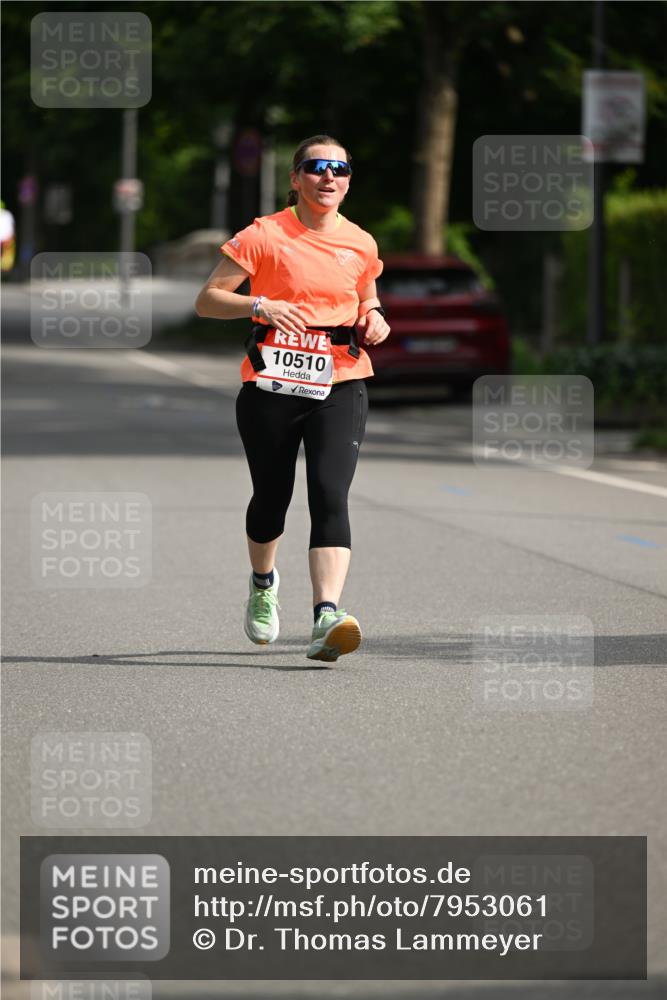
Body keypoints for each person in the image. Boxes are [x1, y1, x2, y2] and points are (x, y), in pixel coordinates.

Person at [195, 134, 390, 662]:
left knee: (330, 493)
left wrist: (373, 316)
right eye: (317, 167)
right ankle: (263, 583)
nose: (330, 178)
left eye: (341, 170)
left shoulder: (361, 242)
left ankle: (327, 615)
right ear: (296, 178)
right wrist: (260, 305)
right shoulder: (263, 235)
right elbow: (209, 300)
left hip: (341, 380)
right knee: (271, 499)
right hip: (270, 385)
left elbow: (366, 293)